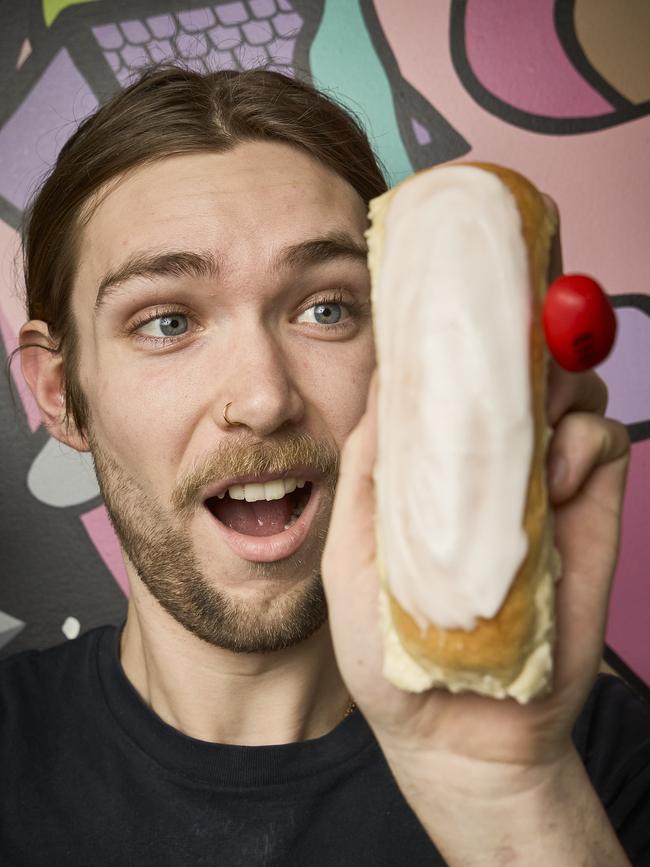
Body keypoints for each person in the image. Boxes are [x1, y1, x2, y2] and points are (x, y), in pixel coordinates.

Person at [2, 64, 648, 866]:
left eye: (328, 309)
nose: (264, 397)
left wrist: (510, 794)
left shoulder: (595, 769)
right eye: (167, 320)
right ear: (61, 393)